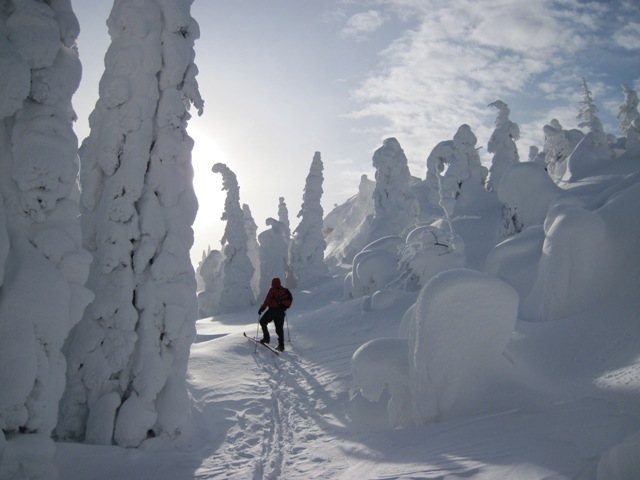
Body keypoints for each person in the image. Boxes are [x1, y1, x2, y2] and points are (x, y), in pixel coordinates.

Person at [258, 277, 289, 351]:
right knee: (279, 329)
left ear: (273, 283)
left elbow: (267, 300)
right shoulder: (283, 290)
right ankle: (281, 346)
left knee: (263, 321)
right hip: (281, 312)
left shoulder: (272, 290)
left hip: (273, 311)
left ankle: (266, 338)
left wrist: (261, 309)